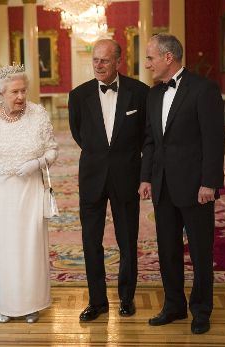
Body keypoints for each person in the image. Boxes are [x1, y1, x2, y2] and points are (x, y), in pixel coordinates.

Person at [139, 33, 225, 335]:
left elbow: (214, 141)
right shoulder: (153, 94)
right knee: (168, 250)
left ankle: (201, 309)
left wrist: (209, 183)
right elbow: (150, 141)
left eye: (150, 58)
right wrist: (146, 177)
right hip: (162, 186)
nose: (146, 63)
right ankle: (173, 305)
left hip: (195, 187)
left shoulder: (204, 90)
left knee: (201, 251)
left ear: (167, 57)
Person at [68, 39, 149, 321]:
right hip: (92, 177)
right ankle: (97, 302)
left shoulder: (140, 92)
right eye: (95, 60)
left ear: (118, 62)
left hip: (127, 176)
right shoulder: (78, 96)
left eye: (104, 60)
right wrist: (100, 155)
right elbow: (79, 135)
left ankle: (126, 298)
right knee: (91, 241)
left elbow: (146, 137)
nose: (98, 65)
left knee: (127, 241)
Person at [0, 64, 58, 324]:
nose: (21, 97)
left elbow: (52, 151)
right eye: (15, 92)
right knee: (4, 250)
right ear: (1, 93)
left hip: (30, 191)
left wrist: (37, 164)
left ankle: (32, 304)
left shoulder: (39, 113)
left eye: (24, 91)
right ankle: (7, 304)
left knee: (30, 249)